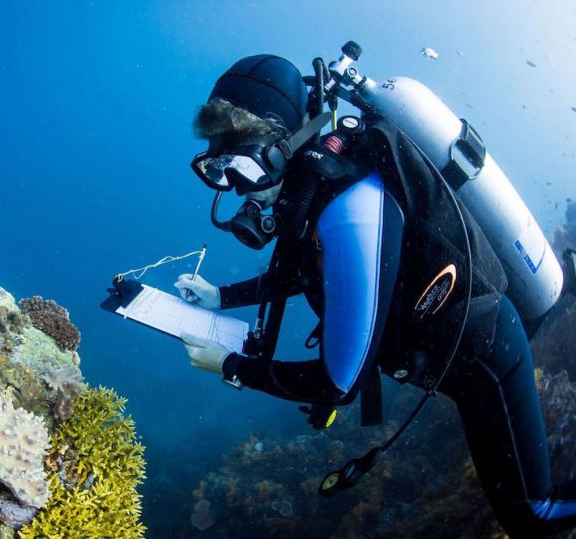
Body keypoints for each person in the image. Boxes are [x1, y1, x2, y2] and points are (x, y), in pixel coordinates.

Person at [175, 54, 576, 537]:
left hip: (485, 359)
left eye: (243, 164)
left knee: (532, 515)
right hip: (449, 357)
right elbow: (301, 275)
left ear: (285, 148)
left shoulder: (349, 204)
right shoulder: (312, 191)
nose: (237, 188)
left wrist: (231, 366)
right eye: (218, 168)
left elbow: (337, 384)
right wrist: (220, 297)